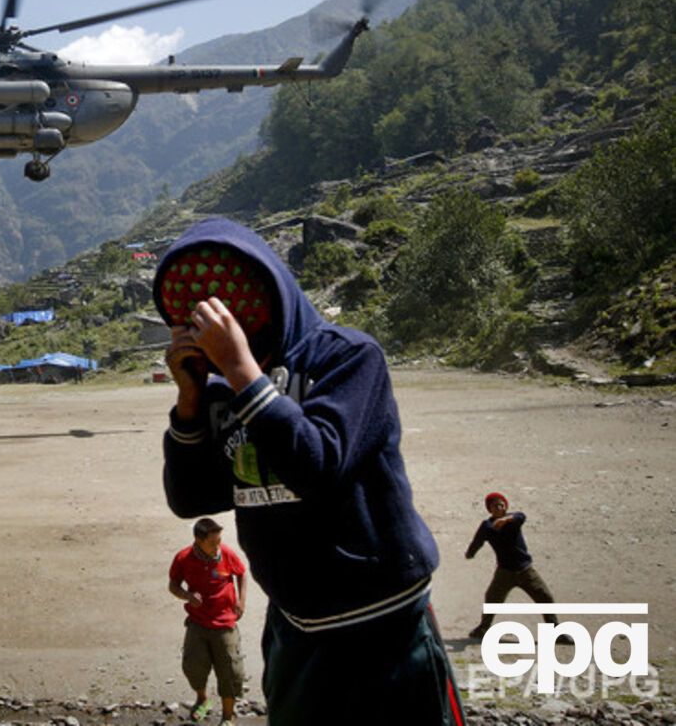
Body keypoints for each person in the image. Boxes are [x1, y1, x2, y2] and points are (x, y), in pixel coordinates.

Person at [158, 219, 466, 726]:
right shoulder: (224, 392)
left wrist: (239, 370)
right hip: (296, 627)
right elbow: (191, 498)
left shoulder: (347, 359)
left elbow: (317, 465)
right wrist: (190, 401)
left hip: (384, 622)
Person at [168, 517, 248, 726]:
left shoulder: (227, 554)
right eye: (212, 542)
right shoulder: (184, 558)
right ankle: (203, 699)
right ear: (198, 540)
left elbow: (241, 573)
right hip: (198, 622)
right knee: (193, 666)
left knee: (230, 671)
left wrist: (241, 601)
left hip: (225, 624)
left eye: (219, 541)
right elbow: (173, 585)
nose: (217, 546)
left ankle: (228, 717)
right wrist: (187, 596)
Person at [464, 492, 558, 639]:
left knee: (545, 597)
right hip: (504, 572)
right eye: (495, 505)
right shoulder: (487, 526)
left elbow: (521, 516)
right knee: (492, 599)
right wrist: (471, 552)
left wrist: (507, 519)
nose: (499, 507)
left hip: (525, 570)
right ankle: (483, 628)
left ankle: (555, 632)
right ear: (490, 509)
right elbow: (478, 540)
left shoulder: (513, 520)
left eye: (502, 505)